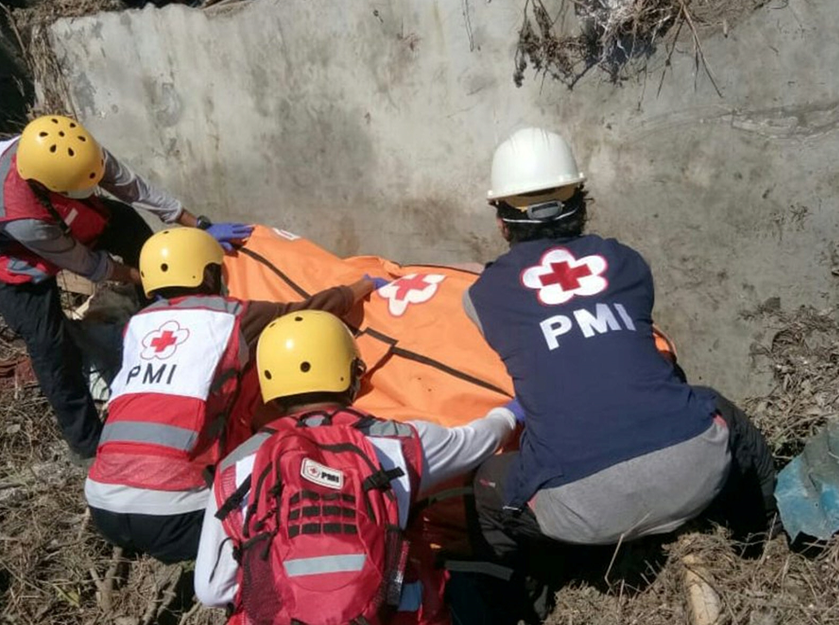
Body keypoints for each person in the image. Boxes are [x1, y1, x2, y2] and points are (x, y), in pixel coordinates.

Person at [464, 127, 777, 570]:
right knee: (724, 412)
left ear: (501, 220)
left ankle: (540, 594)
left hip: (581, 512)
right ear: (581, 202)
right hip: (694, 476)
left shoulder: (483, 294)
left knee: (488, 489)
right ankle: (762, 542)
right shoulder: (627, 262)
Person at [0, 115, 250, 461]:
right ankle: (87, 445)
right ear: (50, 184)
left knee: (127, 225)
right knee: (49, 342)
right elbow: (89, 265)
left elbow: (134, 187)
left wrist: (197, 224)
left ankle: (166, 320)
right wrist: (149, 275)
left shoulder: (70, 151)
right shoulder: (21, 216)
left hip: (50, 206)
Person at [194, 310, 519, 624]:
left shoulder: (235, 467)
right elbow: (479, 441)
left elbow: (210, 590)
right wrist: (509, 414)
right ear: (353, 372)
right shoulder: (402, 444)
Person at [83, 227, 385, 563]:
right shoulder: (230, 317)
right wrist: (364, 286)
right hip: (176, 514)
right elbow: (308, 312)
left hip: (101, 503)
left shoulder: (139, 323)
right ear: (209, 273)